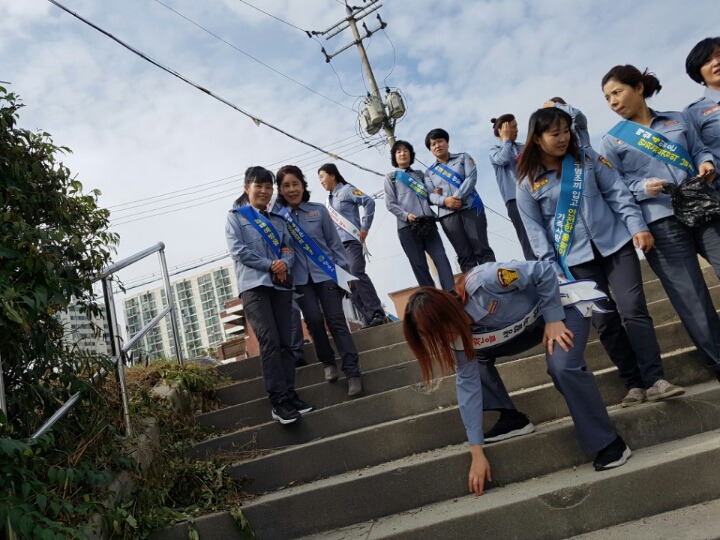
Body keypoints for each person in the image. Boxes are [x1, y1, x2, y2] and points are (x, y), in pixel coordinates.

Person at [403, 261, 632, 497]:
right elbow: (467, 388)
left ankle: (610, 442)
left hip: (559, 307)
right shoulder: (458, 337)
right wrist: (476, 451)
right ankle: (513, 419)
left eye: (439, 331)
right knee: (474, 360)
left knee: (562, 366)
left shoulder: (486, 281)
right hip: (523, 328)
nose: (440, 339)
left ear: (448, 313)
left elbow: (544, 271)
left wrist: (553, 319)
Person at [516, 106, 685, 406]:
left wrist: (637, 226)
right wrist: (555, 273)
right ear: (537, 139)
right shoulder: (527, 184)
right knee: (605, 322)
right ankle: (634, 383)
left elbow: (618, 193)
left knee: (633, 309)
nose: (563, 138)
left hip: (616, 244)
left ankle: (655, 379)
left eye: (566, 131)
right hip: (576, 261)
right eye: (555, 134)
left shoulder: (587, 159)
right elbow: (536, 235)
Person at [600, 64, 720, 383]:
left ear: (638, 88)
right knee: (692, 299)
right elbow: (615, 187)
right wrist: (642, 187)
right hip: (661, 223)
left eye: (617, 92)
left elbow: (699, 149)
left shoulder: (677, 119)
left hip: (703, 208)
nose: (613, 101)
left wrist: (706, 162)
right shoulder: (612, 141)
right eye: (607, 98)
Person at [225, 166, 314, 424]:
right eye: (259, 186)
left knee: (286, 342)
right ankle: (278, 401)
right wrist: (270, 265)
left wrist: (284, 262)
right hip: (254, 287)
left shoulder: (278, 220)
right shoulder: (235, 217)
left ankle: (290, 394)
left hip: (281, 287)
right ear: (247, 188)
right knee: (270, 341)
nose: (264, 191)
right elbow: (238, 250)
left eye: (268, 187)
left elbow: (289, 249)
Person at [276, 165, 363, 396]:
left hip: (327, 275)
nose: (292, 189)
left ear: (303, 185)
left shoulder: (319, 211)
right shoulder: (278, 219)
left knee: (336, 320)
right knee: (314, 320)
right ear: (281, 190)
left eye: (295, 184)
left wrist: (343, 275)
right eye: (286, 186)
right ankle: (327, 361)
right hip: (300, 280)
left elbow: (334, 244)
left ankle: (353, 372)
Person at [318, 163, 386, 328]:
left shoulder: (347, 190)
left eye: (322, 176)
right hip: (337, 249)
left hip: (351, 242)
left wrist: (365, 226)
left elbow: (369, 202)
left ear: (332, 175)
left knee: (356, 273)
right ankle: (367, 318)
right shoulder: (327, 202)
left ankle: (377, 312)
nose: (321, 181)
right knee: (349, 283)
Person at [384, 140, 455, 290]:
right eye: (398, 151)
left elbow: (430, 197)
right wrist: (406, 215)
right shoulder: (391, 178)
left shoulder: (420, 175)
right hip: (407, 226)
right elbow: (390, 204)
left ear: (411, 154)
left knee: (441, 257)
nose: (402, 154)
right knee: (419, 265)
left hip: (428, 223)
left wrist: (436, 193)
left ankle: (451, 292)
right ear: (394, 156)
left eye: (406, 150)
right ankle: (432, 298)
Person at [424, 128, 496, 272]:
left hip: (471, 208)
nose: (437, 146)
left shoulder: (463, 158)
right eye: (433, 144)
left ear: (447, 142)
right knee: (464, 255)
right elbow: (429, 195)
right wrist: (445, 201)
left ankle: (494, 281)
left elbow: (471, 178)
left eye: (440, 141)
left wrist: (456, 197)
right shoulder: (429, 172)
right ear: (430, 149)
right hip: (447, 216)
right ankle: (475, 285)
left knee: (482, 249)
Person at [489, 114, 536, 260]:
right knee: (526, 238)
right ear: (503, 130)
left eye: (516, 126)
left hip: (533, 194)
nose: (517, 130)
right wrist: (506, 140)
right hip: (514, 199)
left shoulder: (523, 147)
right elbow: (503, 159)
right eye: (513, 127)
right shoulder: (494, 151)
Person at [684, 37, 720, 164]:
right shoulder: (693, 113)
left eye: (719, 55)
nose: (716, 62)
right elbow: (696, 154)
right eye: (707, 60)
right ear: (698, 72)